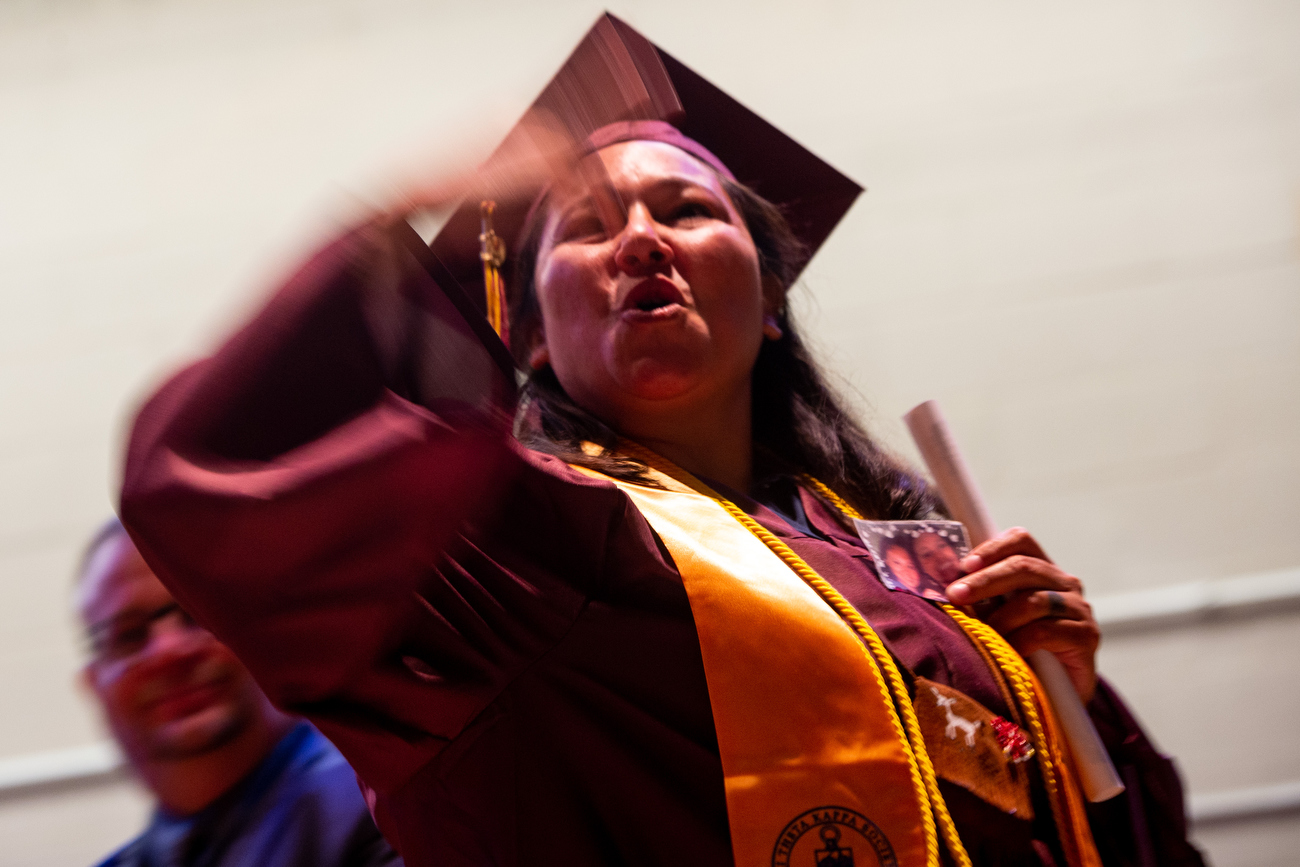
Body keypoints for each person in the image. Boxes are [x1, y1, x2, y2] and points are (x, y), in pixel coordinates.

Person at [118, 14, 1205, 867]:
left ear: (769, 303)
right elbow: (208, 494)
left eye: (687, 211)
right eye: (588, 226)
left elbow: (1115, 834)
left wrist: (1063, 692)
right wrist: (402, 221)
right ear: (529, 338)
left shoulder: (909, 549)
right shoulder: (515, 553)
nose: (641, 239)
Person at [78, 519, 403, 867]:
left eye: (195, 612)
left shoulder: (385, 810)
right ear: (94, 685)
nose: (169, 650)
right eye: (128, 635)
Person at [880, 539, 944, 600]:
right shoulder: (890, 589)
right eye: (897, 563)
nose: (906, 572)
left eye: (910, 566)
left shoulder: (930, 585)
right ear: (887, 562)